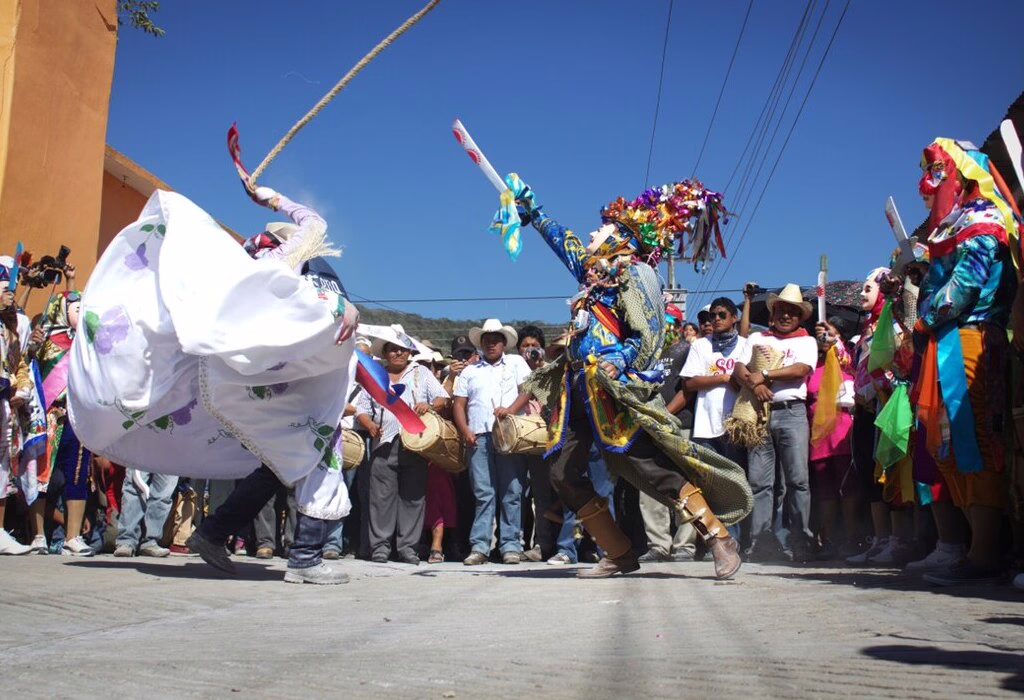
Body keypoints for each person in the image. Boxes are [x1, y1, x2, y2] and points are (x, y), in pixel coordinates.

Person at [68, 175, 360, 585]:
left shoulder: (259, 275)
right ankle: (306, 557)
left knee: (286, 458)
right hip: (274, 386)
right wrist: (270, 197)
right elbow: (314, 225)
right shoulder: (271, 270)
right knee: (314, 449)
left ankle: (213, 532)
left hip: (267, 385)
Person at [508, 177, 751, 579]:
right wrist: (534, 213)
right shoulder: (592, 275)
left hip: (612, 388)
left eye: (601, 226)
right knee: (561, 471)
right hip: (577, 388)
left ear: (621, 237)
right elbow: (563, 241)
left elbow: (651, 332)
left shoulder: (636, 273)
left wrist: (619, 361)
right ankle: (619, 551)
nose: (591, 231)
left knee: (649, 465)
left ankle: (718, 537)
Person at [910, 139, 1018, 585]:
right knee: (949, 446)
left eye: (938, 170)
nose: (928, 183)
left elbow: (965, 287)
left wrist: (926, 316)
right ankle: (978, 548)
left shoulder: (985, 220)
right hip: (946, 341)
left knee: (976, 441)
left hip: (972, 339)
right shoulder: (954, 225)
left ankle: (986, 552)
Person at [733, 283, 817, 561]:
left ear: (799, 316)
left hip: (792, 412)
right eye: (780, 310)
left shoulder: (807, 341)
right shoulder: (757, 339)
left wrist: (765, 375)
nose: (785, 316)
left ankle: (801, 538)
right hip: (760, 413)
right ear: (773, 314)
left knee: (798, 480)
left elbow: (802, 370)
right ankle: (761, 541)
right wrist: (755, 386)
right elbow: (739, 369)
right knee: (759, 481)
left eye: (791, 312)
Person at [356, 325, 449, 564]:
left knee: (413, 497)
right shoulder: (376, 375)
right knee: (381, 498)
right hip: (383, 442)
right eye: (392, 349)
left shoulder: (422, 373)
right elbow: (362, 409)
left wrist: (429, 406)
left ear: (409, 352)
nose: (398, 354)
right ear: (385, 353)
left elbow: (441, 398)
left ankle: (408, 547)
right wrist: (369, 425)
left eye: (402, 349)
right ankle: (380, 547)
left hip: (416, 443)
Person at [454, 319, 531, 565]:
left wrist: (510, 410)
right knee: (483, 492)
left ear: (504, 343)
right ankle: (480, 546)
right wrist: (465, 429)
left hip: (509, 434)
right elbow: (458, 403)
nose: (491, 344)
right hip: (479, 435)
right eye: (487, 340)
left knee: (512, 490)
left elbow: (527, 390)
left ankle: (510, 545)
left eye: (496, 339)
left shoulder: (517, 363)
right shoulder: (469, 371)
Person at [636, 305, 697, 563]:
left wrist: (665, 415)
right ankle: (658, 544)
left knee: (686, 483)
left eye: (668, 322)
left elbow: (688, 389)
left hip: (680, 424)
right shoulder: (643, 352)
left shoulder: (687, 349)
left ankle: (685, 545)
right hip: (648, 427)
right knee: (650, 487)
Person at [806, 319, 857, 559]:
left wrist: (835, 343)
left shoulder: (846, 361)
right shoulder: (812, 365)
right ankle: (828, 539)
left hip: (842, 433)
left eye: (831, 334)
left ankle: (852, 538)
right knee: (824, 491)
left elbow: (846, 356)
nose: (825, 338)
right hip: (818, 436)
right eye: (822, 335)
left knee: (847, 488)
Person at [113, 469, 176, 557]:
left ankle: (149, 542)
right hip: (142, 455)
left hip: (173, 456)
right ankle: (126, 541)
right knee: (135, 486)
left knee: (163, 494)